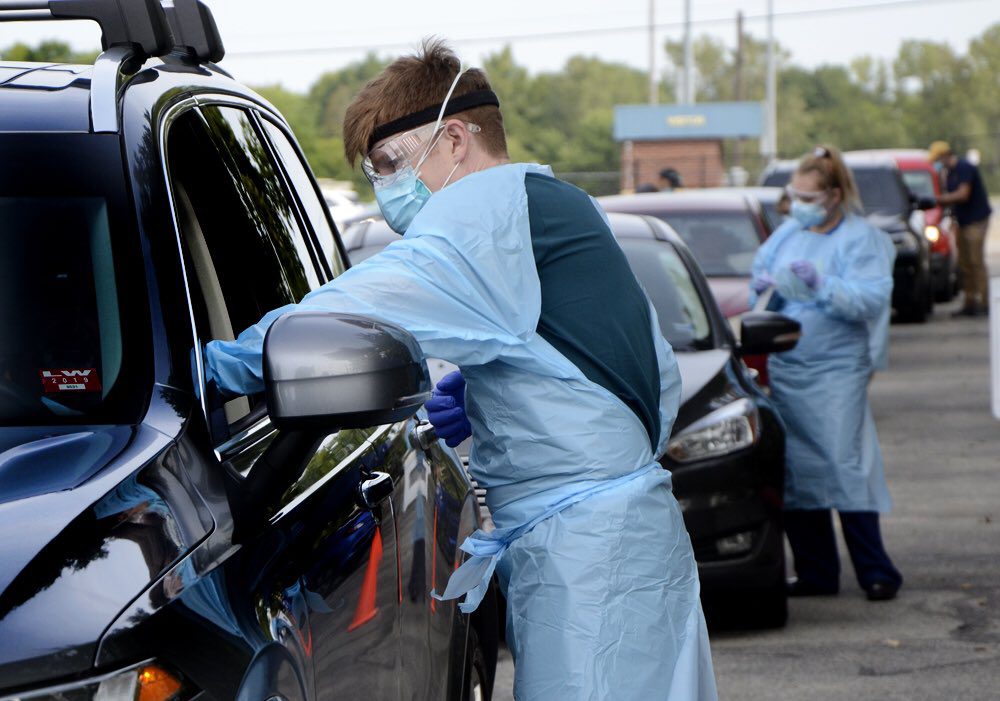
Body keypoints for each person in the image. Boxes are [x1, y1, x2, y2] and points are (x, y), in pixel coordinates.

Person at [204, 41, 717, 700]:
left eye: (390, 163)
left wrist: (209, 367)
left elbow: (346, 311)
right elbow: (651, 375)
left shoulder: (483, 218)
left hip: (593, 565)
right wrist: (511, 389)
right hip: (629, 543)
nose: (385, 189)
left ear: (452, 138)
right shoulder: (557, 202)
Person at [749, 145, 903, 602]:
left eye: (809, 197)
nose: (799, 204)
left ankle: (876, 571)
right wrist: (765, 289)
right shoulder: (788, 234)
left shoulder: (862, 240)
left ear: (835, 195)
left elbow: (871, 299)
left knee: (843, 463)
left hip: (837, 368)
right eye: (795, 195)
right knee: (798, 469)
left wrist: (822, 286)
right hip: (789, 365)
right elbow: (761, 273)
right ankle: (817, 573)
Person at [928, 141, 992, 317]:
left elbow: (963, 195)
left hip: (976, 221)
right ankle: (970, 302)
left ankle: (986, 303)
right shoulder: (949, 173)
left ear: (945, 155)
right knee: (964, 263)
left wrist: (938, 200)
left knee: (975, 261)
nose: (937, 162)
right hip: (962, 222)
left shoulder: (965, 168)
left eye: (938, 159)